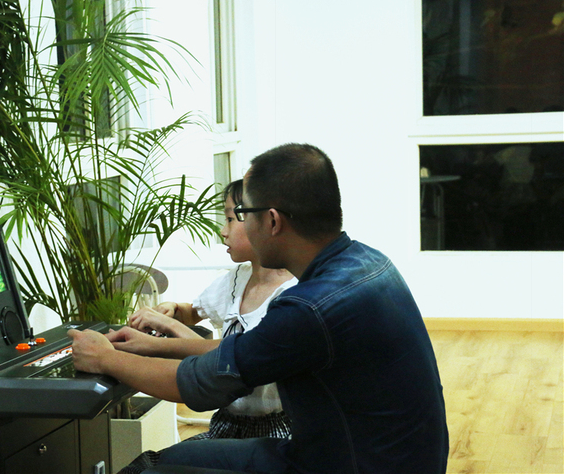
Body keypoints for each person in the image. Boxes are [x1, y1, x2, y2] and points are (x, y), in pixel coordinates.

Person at [69, 143, 449, 474]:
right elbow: (237, 354)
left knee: (149, 472)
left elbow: (200, 385)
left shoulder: (308, 309)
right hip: (378, 459)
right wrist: (153, 345)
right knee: (157, 463)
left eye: (242, 213)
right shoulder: (370, 262)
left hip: (345, 465)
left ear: (272, 221)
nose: (235, 226)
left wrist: (105, 358)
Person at [119, 180, 295, 473]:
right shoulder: (236, 278)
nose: (223, 231)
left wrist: (159, 335)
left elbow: (229, 358)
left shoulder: (292, 297)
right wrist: (175, 310)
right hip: (225, 424)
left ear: (267, 222)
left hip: (273, 435)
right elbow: (195, 311)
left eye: (230, 219)